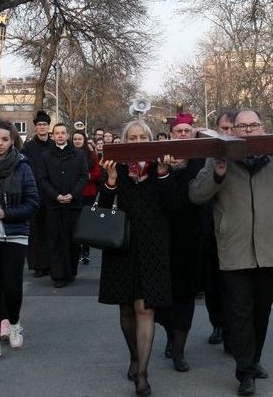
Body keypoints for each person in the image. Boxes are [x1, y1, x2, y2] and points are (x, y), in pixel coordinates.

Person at [190, 108, 273, 396]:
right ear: (232, 130)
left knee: (261, 312)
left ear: (262, 128)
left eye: (253, 126)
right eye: (242, 126)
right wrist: (218, 174)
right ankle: (245, 371)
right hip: (234, 252)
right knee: (239, 313)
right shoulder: (219, 159)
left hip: (270, 250)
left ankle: (254, 359)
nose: (248, 131)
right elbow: (196, 194)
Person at [98, 120, 173, 397]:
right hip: (122, 246)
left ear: (150, 140)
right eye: (133, 136)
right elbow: (103, 209)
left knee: (146, 308)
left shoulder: (158, 167)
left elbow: (172, 206)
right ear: (125, 141)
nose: (138, 140)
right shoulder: (115, 167)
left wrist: (164, 174)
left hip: (153, 246)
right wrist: (111, 183)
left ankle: (142, 373)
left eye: (143, 136)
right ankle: (133, 355)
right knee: (127, 309)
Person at [0, 119, 39, 361]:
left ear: (13, 141)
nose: (0, 144)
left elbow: (33, 203)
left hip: (15, 234)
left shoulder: (23, 167)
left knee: (12, 287)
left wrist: (7, 212)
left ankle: (14, 322)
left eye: (5, 139)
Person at [156, 112, 204, 373]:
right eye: (179, 131)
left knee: (185, 296)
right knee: (164, 295)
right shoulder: (161, 162)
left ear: (193, 132)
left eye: (187, 131)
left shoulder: (199, 162)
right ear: (172, 134)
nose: (183, 135)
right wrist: (165, 173)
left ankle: (179, 349)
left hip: (191, 238)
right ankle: (168, 336)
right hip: (163, 239)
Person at [37, 123, 88, 287]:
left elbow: (83, 176)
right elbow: (42, 179)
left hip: (74, 205)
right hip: (54, 205)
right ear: (53, 136)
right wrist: (56, 195)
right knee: (56, 240)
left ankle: (71, 271)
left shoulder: (79, 155)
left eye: (63, 133)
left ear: (67, 135)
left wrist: (72, 195)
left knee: (73, 240)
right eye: (57, 133)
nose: (60, 136)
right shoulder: (45, 156)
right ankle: (58, 275)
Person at [202, 110, 236, 350]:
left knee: (235, 286)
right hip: (213, 227)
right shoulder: (209, 154)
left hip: (239, 229)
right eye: (224, 128)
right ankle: (219, 324)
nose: (229, 132)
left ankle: (234, 331)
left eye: (233, 127)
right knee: (214, 282)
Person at [22, 111, 53, 278]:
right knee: (35, 231)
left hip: (51, 194)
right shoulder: (28, 147)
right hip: (34, 194)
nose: (42, 127)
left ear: (48, 127)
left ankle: (49, 263)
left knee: (50, 230)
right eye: (39, 125)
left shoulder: (53, 146)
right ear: (36, 127)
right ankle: (38, 265)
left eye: (44, 125)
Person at [72, 130, 102, 264]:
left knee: (86, 223)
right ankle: (76, 250)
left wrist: (84, 177)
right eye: (75, 139)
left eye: (79, 139)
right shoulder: (68, 154)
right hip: (73, 193)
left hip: (88, 193)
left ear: (84, 140)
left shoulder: (91, 155)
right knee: (75, 222)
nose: (77, 141)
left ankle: (86, 251)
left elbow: (97, 173)